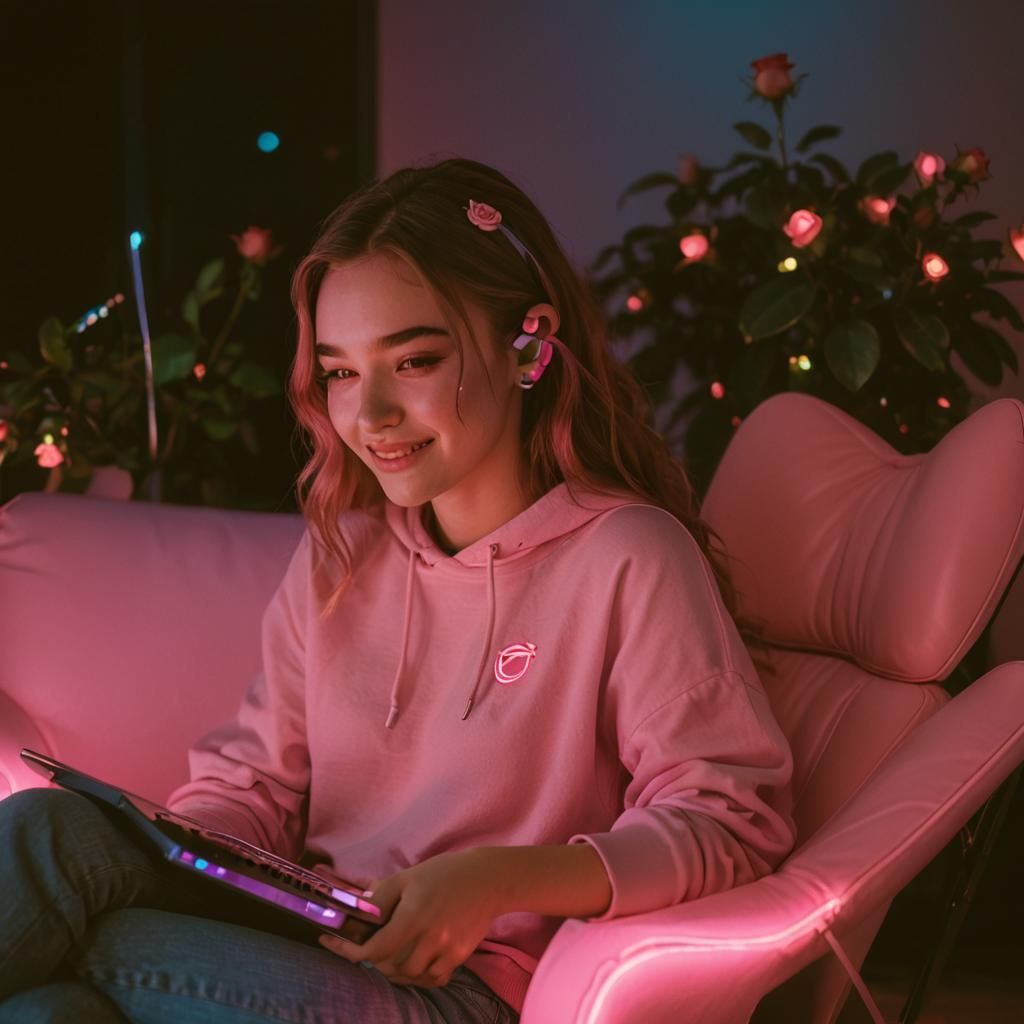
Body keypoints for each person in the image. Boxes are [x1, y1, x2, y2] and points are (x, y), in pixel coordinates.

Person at [0, 156, 796, 1023]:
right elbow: (255, 783)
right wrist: (178, 854)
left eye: (411, 360)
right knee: (50, 873)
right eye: (340, 372)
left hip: (462, 990)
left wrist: (493, 882)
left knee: (90, 941)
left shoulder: (629, 557)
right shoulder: (342, 558)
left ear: (527, 342)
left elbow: (730, 821)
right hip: (310, 934)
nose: (368, 414)